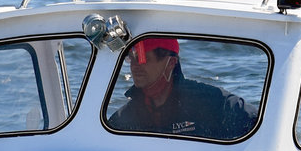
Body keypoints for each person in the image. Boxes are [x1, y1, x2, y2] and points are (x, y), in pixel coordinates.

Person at [107, 37, 257, 140]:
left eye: (142, 59)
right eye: (131, 59)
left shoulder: (210, 101)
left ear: (171, 62)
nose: (134, 66)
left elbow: (257, 122)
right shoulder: (122, 119)